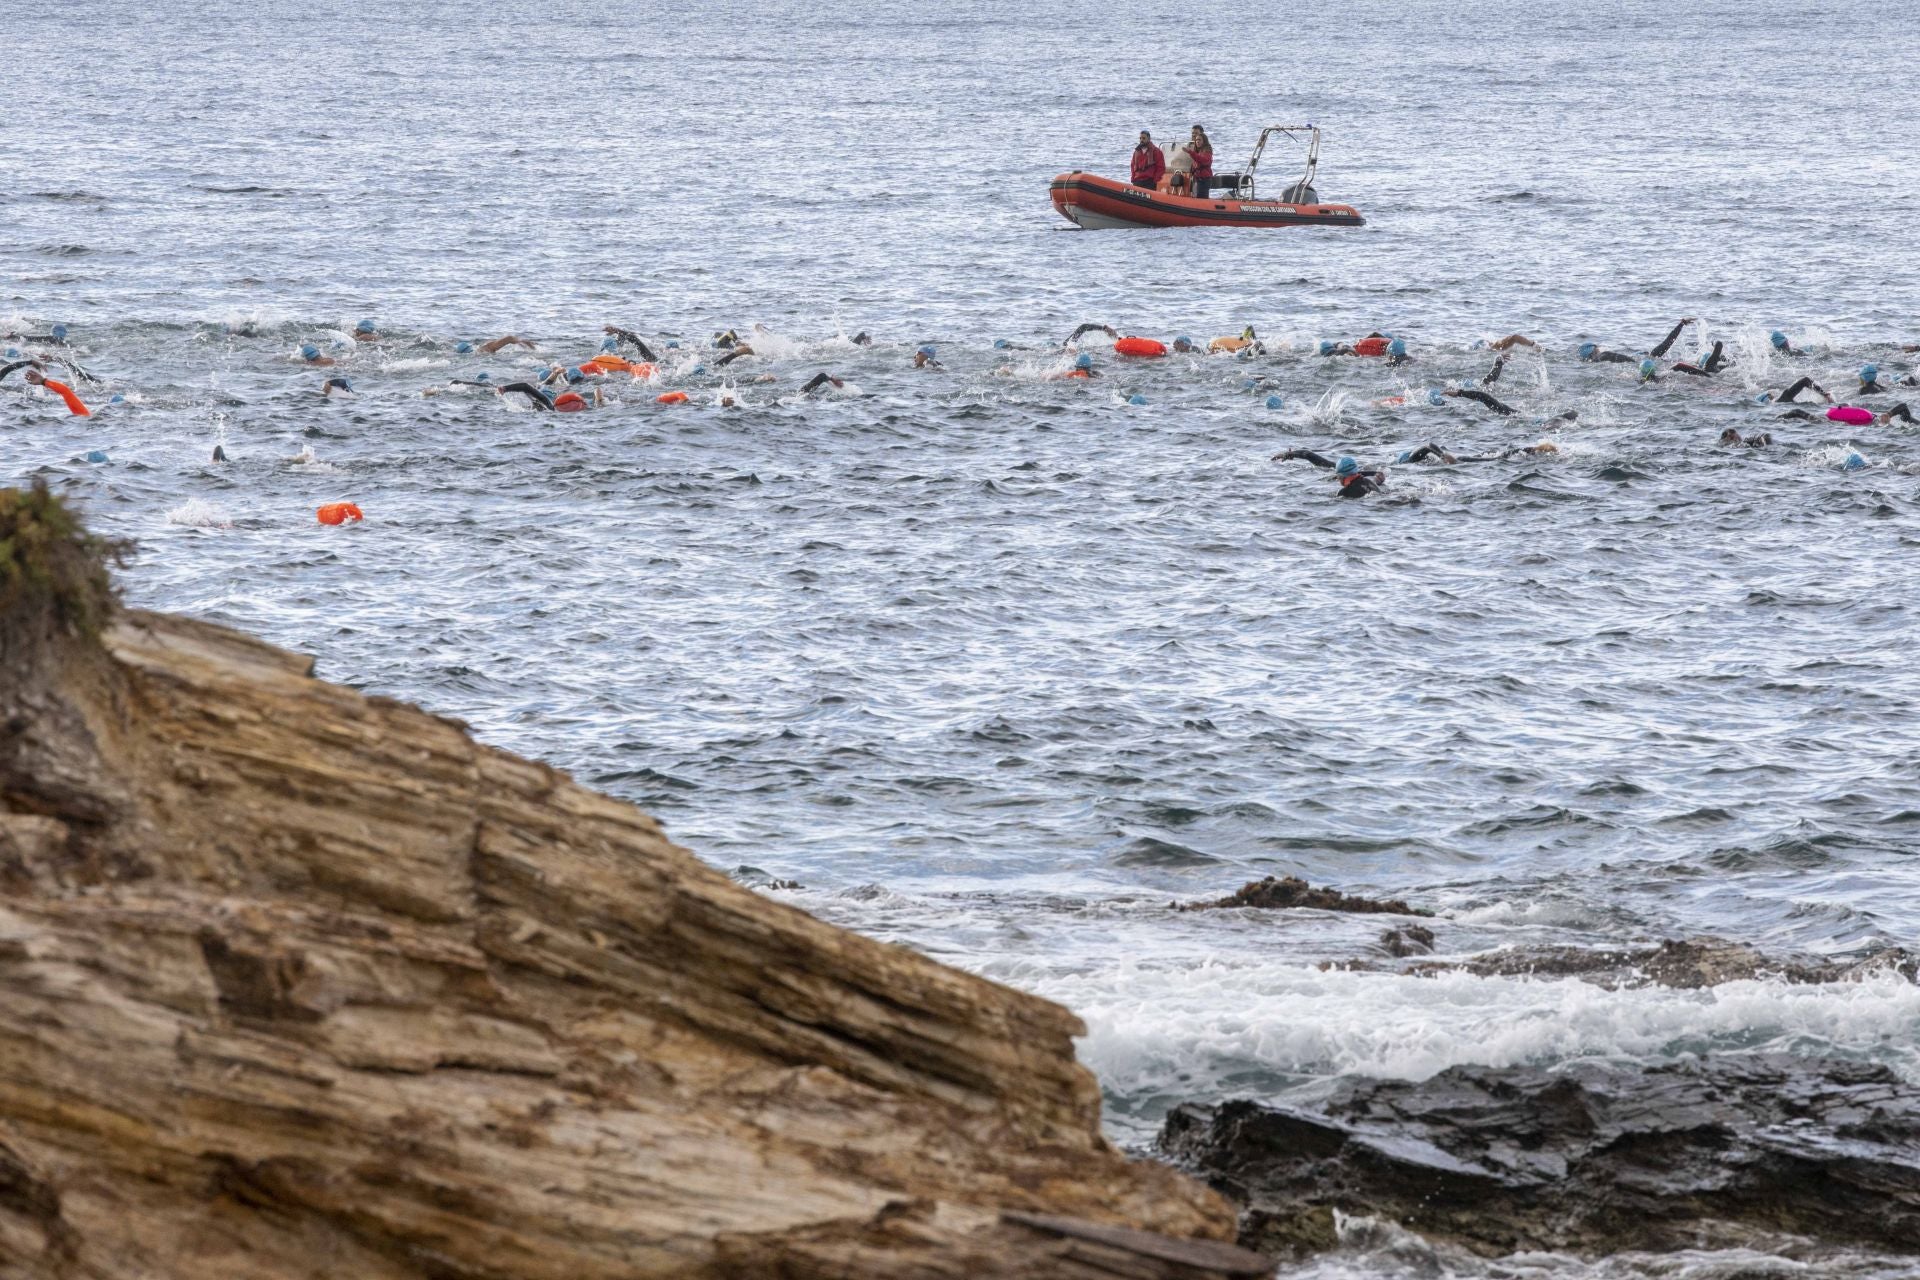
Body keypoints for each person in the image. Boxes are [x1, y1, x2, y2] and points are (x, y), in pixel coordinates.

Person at [1272, 450, 1387, 498]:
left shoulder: (1343, 492)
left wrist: (1288, 454)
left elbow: (1309, 455)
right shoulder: (1369, 482)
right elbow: (1309, 455)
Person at [1578, 318, 1694, 365]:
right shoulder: (1603, 355)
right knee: (1662, 350)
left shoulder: (1599, 360)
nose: (1600, 348)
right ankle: (1681, 324)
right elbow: (1666, 343)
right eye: (1597, 348)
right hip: (1642, 361)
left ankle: (1681, 324)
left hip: (1641, 360)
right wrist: (1636, 363)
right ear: (1593, 350)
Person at [22, 367, 90, 416]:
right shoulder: (85, 415)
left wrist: (44, 381)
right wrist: (44, 381)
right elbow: (66, 391)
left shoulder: (84, 415)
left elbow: (66, 391)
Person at [1187, 125, 1214, 196]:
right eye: (1192, 133)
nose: (1194, 135)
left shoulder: (1206, 149)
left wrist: (1191, 152)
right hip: (1194, 176)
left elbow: (1202, 160)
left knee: (1200, 196)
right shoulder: (1190, 146)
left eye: (1196, 133)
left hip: (1203, 178)